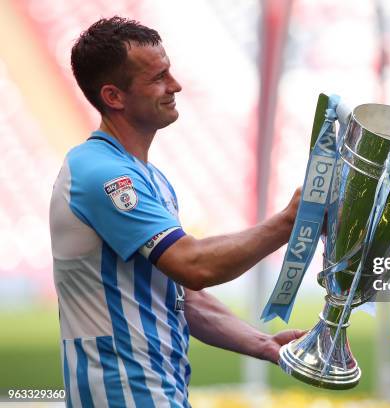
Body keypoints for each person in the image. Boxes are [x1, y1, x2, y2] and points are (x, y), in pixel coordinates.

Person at [50, 16, 302, 407]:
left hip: (158, 393)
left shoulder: (148, 177)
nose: (176, 85)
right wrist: (289, 222)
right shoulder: (101, 173)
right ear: (114, 97)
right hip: (122, 396)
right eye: (158, 77)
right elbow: (193, 265)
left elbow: (187, 298)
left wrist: (266, 345)